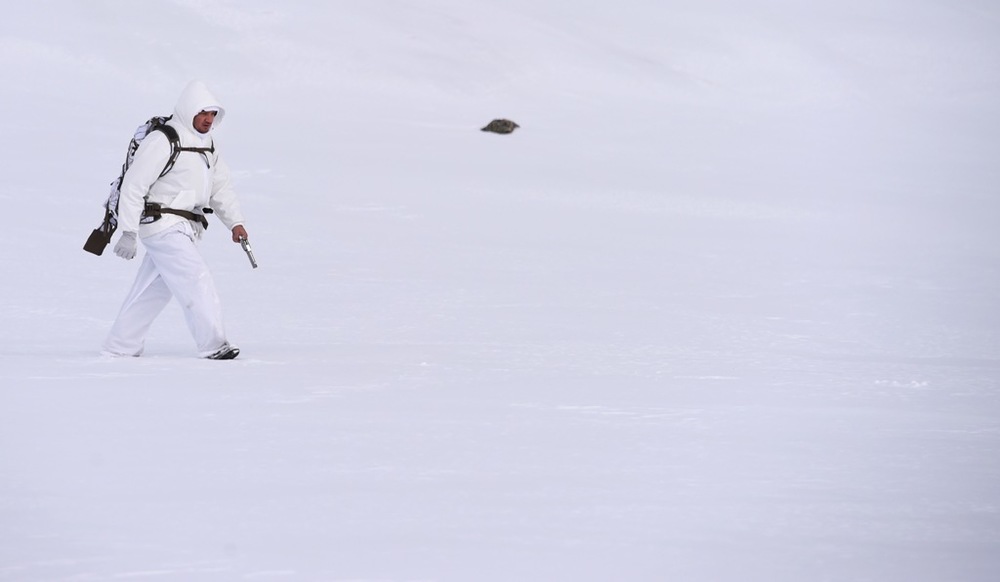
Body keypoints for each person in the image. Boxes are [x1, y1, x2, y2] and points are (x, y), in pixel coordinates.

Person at [102, 80, 248, 360]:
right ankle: (214, 344)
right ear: (188, 110)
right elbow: (134, 185)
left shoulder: (208, 145)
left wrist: (235, 222)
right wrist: (128, 232)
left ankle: (120, 346)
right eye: (203, 112)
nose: (208, 119)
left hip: (187, 227)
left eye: (213, 114)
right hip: (162, 224)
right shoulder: (164, 139)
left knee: (153, 290)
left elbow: (220, 188)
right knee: (196, 277)